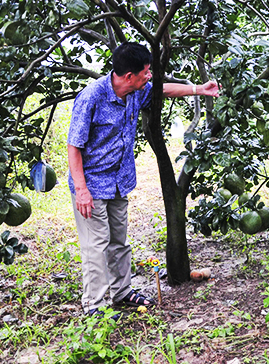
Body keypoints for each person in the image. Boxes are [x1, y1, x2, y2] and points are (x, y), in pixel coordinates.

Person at [67, 42, 219, 318]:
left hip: (118, 181)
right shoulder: (91, 97)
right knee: (96, 246)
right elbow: (74, 146)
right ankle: (94, 306)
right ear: (129, 76)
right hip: (92, 185)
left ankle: (122, 292)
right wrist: (81, 190)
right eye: (146, 72)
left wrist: (199, 89)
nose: (150, 76)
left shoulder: (135, 92)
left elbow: (164, 90)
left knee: (119, 243)